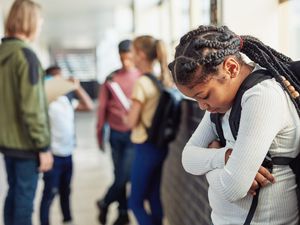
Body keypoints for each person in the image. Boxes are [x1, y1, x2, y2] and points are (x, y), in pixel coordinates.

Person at [168, 25, 300, 224]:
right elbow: (188, 158)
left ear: (231, 68)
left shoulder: (261, 96)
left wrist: (210, 164)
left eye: (203, 96)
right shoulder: (221, 105)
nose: (202, 106)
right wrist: (226, 156)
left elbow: (233, 189)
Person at [0, 1, 53, 225]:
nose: (40, 25)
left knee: (14, 193)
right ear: (29, 21)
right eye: (39, 20)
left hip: (7, 142)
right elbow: (31, 109)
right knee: (24, 200)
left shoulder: (4, 52)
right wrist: (43, 146)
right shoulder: (26, 56)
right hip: (26, 143)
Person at [124, 35, 172, 225]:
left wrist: (125, 117)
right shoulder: (160, 81)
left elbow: (131, 121)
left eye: (133, 53)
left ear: (141, 55)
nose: (131, 57)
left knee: (134, 202)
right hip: (159, 146)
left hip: (145, 147)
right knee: (153, 197)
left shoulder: (142, 83)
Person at [39, 65, 94, 225]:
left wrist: (76, 88)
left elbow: (89, 106)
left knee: (66, 191)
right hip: (53, 156)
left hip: (68, 155)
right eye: (57, 80)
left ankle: (68, 219)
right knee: (49, 194)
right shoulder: (45, 103)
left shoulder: (67, 100)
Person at [96, 39, 140, 225]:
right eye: (122, 58)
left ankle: (104, 202)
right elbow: (102, 108)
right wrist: (99, 133)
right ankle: (123, 214)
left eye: (128, 58)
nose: (125, 62)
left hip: (133, 134)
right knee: (119, 175)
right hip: (115, 134)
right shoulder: (111, 78)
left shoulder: (141, 77)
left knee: (124, 176)